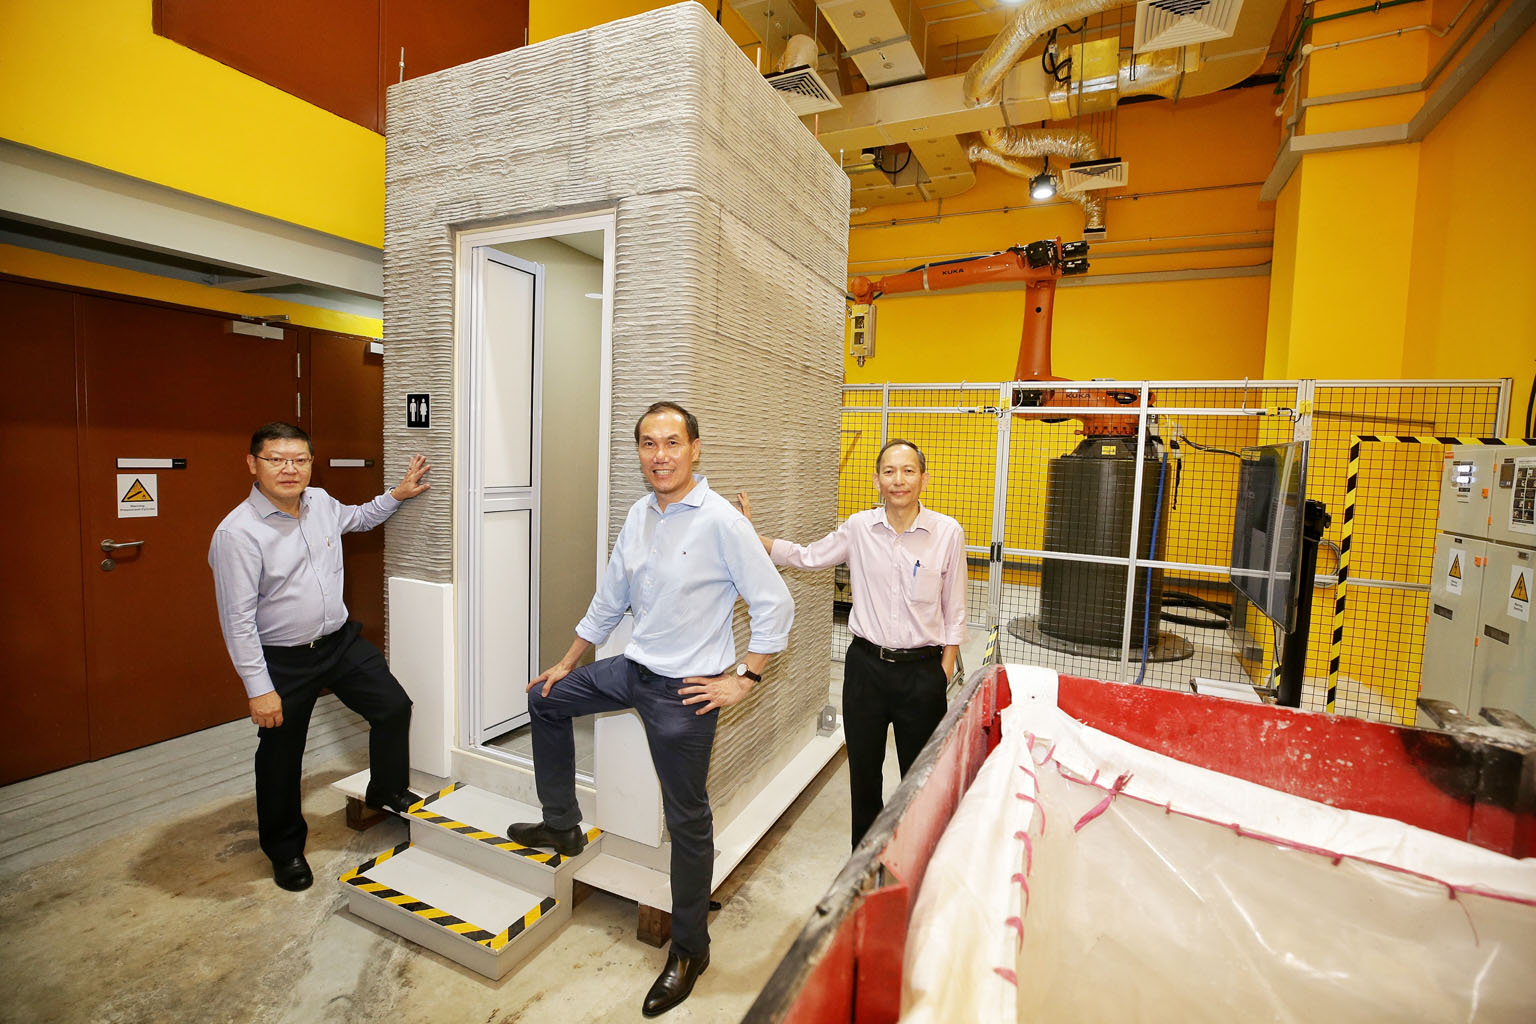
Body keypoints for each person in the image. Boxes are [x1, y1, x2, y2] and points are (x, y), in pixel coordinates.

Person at [506, 401, 793, 1018]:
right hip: (631, 670)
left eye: (671, 442)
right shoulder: (639, 515)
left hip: (686, 695)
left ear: (695, 448)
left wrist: (745, 677)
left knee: (686, 820)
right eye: (647, 444)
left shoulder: (721, 522)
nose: (659, 455)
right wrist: (569, 661)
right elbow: (609, 597)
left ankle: (691, 949)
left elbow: (776, 605)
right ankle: (561, 822)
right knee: (544, 699)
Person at [208, 421, 432, 893]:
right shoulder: (237, 534)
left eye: (300, 459)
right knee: (281, 756)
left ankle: (385, 789)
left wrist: (398, 494)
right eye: (276, 459)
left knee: (393, 707)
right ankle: (284, 848)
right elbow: (238, 622)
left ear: (311, 462)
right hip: (283, 661)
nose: (289, 469)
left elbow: (361, 517)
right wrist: (260, 689)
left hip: (339, 644)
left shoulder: (323, 503)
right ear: (253, 465)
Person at [741, 438, 966, 847]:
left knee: (923, 775)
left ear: (924, 479)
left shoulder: (946, 532)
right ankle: (863, 864)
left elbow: (955, 609)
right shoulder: (859, 528)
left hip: (923, 673)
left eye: (908, 470)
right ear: (877, 479)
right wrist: (756, 539)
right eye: (889, 471)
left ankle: (916, 856)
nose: (899, 480)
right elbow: (808, 556)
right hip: (866, 670)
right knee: (865, 773)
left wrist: (943, 669)